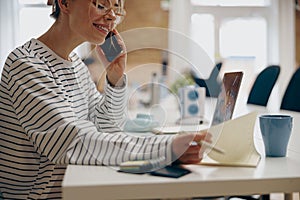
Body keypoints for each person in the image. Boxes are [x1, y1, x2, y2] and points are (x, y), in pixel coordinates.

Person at [0, 0, 211, 199]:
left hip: (79, 189)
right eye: (101, 4)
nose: (111, 17)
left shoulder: (75, 64)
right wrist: (166, 148)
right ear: (64, 2)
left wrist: (115, 77)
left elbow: (108, 129)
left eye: (115, 7)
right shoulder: (26, 65)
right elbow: (75, 143)